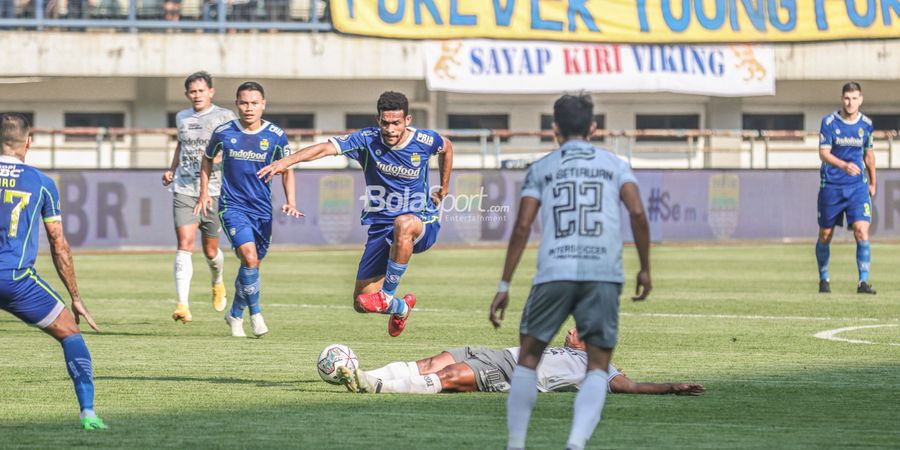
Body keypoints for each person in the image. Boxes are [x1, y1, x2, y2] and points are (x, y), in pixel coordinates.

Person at [488, 93, 651, 450]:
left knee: (528, 360)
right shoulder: (615, 164)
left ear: (555, 129)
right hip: (602, 274)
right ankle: (576, 443)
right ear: (594, 127)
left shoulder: (543, 168)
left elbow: (522, 227)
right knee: (597, 366)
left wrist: (504, 284)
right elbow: (638, 214)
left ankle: (516, 444)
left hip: (554, 272)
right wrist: (645, 269)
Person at [257, 91, 453, 337]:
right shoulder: (367, 139)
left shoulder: (424, 140)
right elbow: (325, 148)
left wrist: (444, 187)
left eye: (396, 123)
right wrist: (287, 162)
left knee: (403, 223)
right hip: (381, 228)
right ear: (378, 120)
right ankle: (401, 307)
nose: (390, 129)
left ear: (408, 120)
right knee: (361, 302)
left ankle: (387, 295)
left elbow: (447, 146)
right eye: (385, 123)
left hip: (422, 223)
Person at [0, 114, 106, 430]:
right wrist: (76, 297)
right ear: (28, 142)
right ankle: (88, 412)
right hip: (15, 280)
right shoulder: (41, 183)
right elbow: (59, 245)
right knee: (70, 333)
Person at [194, 81, 302, 337]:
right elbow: (207, 160)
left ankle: (234, 314)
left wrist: (291, 201)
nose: (249, 107)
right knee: (250, 258)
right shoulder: (223, 131)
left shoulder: (275, 135)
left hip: (262, 210)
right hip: (233, 207)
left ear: (263, 105)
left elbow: (287, 168)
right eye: (244, 102)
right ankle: (256, 315)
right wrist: (204, 192)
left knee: (252, 266)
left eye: (254, 103)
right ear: (236, 104)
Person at [340, 328, 704, 397]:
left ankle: (376, 386)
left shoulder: (600, 369)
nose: (570, 333)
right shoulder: (569, 351)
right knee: (432, 361)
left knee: (449, 377)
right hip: (499, 353)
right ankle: (362, 374)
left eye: (576, 332)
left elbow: (630, 387)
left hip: (511, 373)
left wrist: (670, 386)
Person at [163, 71, 236, 324]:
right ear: (187, 94)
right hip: (184, 188)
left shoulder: (225, 116)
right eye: (192, 92)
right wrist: (172, 169)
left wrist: (220, 157)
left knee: (210, 250)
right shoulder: (182, 117)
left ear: (211, 92)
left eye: (201, 91)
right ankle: (182, 304)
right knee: (185, 243)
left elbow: (235, 146)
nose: (197, 95)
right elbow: (181, 145)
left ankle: (217, 281)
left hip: (214, 189)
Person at [815, 81, 877, 295]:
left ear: (861, 99)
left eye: (854, 98)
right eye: (847, 98)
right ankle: (824, 278)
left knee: (861, 231)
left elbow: (869, 154)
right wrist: (843, 165)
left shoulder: (867, 125)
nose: (850, 102)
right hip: (832, 185)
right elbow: (823, 153)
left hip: (857, 188)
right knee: (825, 234)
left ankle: (863, 282)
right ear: (842, 99)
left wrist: (873, 182)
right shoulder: (830, 122)